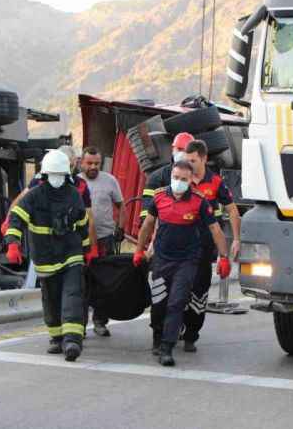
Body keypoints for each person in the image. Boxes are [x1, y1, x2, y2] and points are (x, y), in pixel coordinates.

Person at [133, 160, 231, 367]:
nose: (178, 182)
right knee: (159, 303)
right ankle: (157, 339)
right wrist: (139, 250)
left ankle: (167, 348)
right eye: (175, 178)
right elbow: (148, 225)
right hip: (162, 260)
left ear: (190, 180)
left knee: (177, 302)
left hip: (187, 261)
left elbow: (215, 230)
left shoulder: (199, 201)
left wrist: (224, 257)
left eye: (183, 179)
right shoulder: (159, 197)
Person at [4, 149, 91, 362]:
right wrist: (12, 244)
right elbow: (16, 218)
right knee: (50, 299)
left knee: (72, 295)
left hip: (71, 254)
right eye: (53, 175)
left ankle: (72, 341)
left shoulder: (73, 195)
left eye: (60, 176)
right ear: (44, 175)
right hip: (44, 257)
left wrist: (87, 249)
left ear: (67, 176)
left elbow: (82, 224)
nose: (57, 180)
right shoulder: (34, 197)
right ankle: (56, 338)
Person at [181, 140, 242, 352]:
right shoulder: (181, 178)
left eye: (193, 161)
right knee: (179, 289)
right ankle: (176, 326)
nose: (189, 164)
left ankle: (191, 335)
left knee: (199, 292)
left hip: (205, 247)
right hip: (181, 245)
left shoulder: (215, 182)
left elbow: (232, 211)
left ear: (204, 158)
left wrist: (236, 239)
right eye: (186, 160)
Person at [79, 146, 126, 336]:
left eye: (97, 163)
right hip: (82, 241)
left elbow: (121, 206)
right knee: (81, 283)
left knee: (104, 283)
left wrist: (120, 228)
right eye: (89, 163)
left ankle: (100, 321)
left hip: (106, 239)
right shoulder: (75, 183)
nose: (93, 166)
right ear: (81, 163)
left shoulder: (110, 181)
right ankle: (79, 325)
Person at [140, 132, 195, 220]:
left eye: (186, 151)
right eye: (180, 149)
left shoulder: (201, 178)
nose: (182, 154)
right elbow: (146, 211)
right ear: (173, 149)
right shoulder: (156, 177)